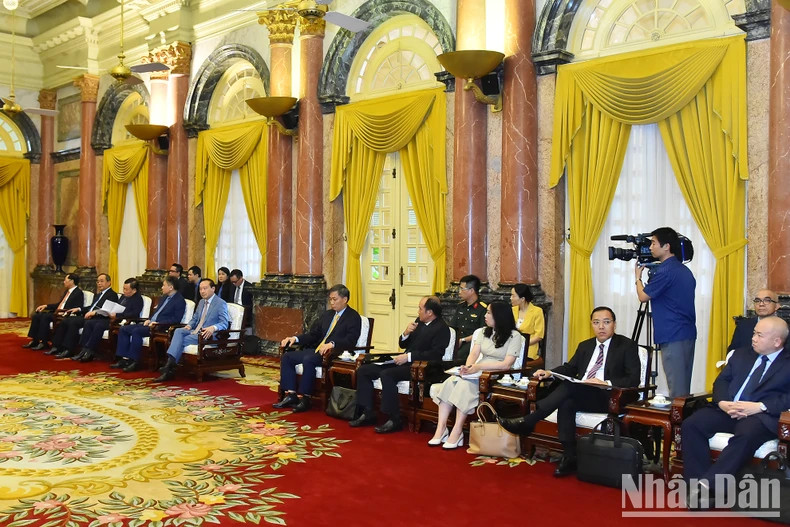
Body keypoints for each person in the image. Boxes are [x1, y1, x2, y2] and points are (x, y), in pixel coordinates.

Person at [499, 306, 641, 477]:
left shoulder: (626, 346)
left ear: (614, 324)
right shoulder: (585, 346)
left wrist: (605, 382)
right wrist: (550, 372)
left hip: (609, 396)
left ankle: (530, 420)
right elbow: (570, 368)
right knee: (567, 402)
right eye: (596, 322)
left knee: (570, 387)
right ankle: (569, 455)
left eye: (606, 322)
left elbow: (633, 379)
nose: (601, 327)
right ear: (591, 324)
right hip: (584, 394)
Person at [682, 317, 790, 506]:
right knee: (692, 424)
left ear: (777, 341)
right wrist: (723, 402)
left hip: (760, 416)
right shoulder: (740, 354)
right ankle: (696, 485)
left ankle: (709, 487)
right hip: (728, 409)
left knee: (746, 435)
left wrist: (760, 406)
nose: (753, 338)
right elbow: (721, 382)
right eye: (754, 333)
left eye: (759, 335)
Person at [429, 301, 522, 449]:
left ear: (499, 316)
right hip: (477, 370)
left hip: (495, 374)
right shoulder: (484, 332)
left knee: (464, 386)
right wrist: (467, 368)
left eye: (489, 313)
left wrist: (478, 367)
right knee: (450, 382)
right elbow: (474, 354)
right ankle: (441, 429)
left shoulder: (514, 336)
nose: (485, 315)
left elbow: (506, 364)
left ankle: (457, 431)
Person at [351, 296, 451, 433]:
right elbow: (403, 344)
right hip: (403, 362)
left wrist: (408, 357)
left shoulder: (442, 328)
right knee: (364, 370)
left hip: (421, 367)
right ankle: (368, 412)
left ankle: (394, 419)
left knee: (387, 374)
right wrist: (406, 333)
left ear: (429, 312)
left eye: (420, 309)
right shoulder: (419, 322)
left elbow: (435, 355)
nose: (418, 311)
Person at [274, 284, 362, 413]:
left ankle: (306, 398)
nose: (332, 302)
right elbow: (313, 335)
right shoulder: (327, 315)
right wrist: (295, 338)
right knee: (288, 357)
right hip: (317, 350)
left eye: (335, 299)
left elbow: (351, 340)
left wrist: (332, 344)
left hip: (335, 354)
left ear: (345, 299)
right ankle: (291, 395)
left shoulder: (353, 317)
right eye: (330, 299)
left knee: (309, 359)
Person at [635, 227, 696, 398]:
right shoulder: (683, 270)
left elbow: (643, 296)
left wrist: (638, 278)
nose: (650, 247)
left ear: (666, 246)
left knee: (677, 390)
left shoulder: (665, 271)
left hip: (672, 334)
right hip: (685, 333)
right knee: (682, 386)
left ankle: (678, 416)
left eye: (654, 243)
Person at [155, 278, 230, 382]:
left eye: (205, 288)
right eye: (200, 289)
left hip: (207, 335)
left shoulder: (220, 303)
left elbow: (224, 323)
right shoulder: (201, 302)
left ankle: (169, 367)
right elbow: (195, 318)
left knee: (180, 340)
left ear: (213, 289)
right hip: (195, 331)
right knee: (178, 331)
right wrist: (189, 326)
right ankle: (170, 366)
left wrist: (213, 327)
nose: (202, 291)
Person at [112, 276, 186, 372]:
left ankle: (134, 361)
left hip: (161, 326)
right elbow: (157, 313)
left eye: (164, 285)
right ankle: (123, 358)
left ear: (171, 287)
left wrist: (158, 323)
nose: (162, 287)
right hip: (150, 323)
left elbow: (176, 319)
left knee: (137, 331)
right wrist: (149, 319)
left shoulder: (179, 300)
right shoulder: (164, 297)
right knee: (124, 329)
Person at [71, 277, 144, 363]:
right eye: (123, 288)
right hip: (112, 318)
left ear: (134, 290)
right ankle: (84, 349)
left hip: (122, 321)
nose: (124, 291)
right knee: (89, 323)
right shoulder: (123, 297)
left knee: (99, 325)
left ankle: (90, 351)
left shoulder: (138, 299)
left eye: (126, 289)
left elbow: (134, 314)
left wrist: (117, 315)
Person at [49, 273, 118, 358]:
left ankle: (69, 349)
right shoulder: (99, 294)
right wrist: (79, 309)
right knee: (66, 320)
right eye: (98, 282)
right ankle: (57, 346)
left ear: (109, 282)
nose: (99, 283)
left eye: (101, 281)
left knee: (73, 323)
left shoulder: (112, 294)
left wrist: (95, 312)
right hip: (89, 316)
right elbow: (91, 307)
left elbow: (107, 310)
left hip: (97, 318)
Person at [24, 273, 84, 350]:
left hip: (64, 314)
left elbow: (77, 307)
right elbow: (59, 304)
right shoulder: (67, 291)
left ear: (71, 281)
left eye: (65, 280)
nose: (64, 282)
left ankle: (44, 342)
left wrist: (64, 312)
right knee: (37, 315)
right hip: (57, 312)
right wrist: (46, 306)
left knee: (45, 317)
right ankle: (35, 340)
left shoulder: (78, 293)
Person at [452, 275, 487, 362]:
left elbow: (483, 332)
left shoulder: (483, 309)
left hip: (471, 343)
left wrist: (463, 340)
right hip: (457, 341)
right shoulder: (460, 306)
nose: (459, 292)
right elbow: (452, 326)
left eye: (462, 289)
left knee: (458, 356)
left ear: (471, 291)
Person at [511, 283, 545, 361]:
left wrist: (522, 344)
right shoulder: (512, 310)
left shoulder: (537, 311)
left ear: (522, 299)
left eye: (513, 296)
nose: (511, 298)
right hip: (512, 349)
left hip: (528, 350)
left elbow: (539, 336)